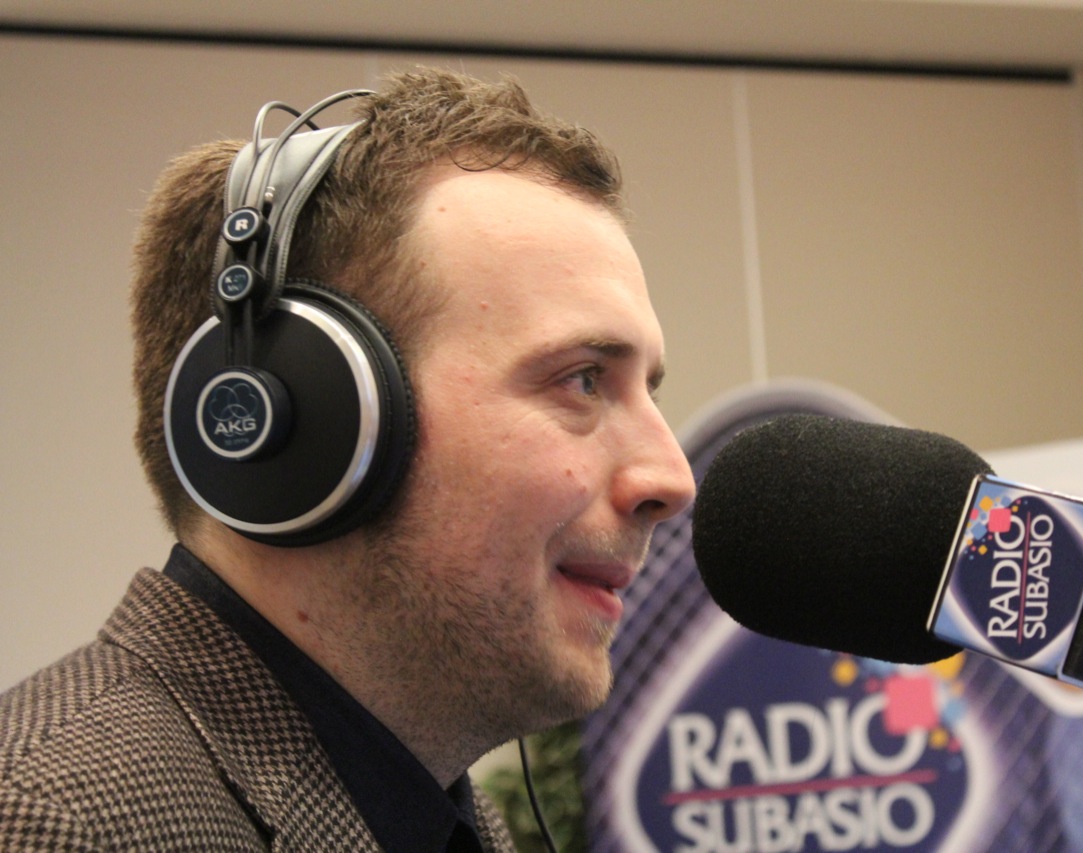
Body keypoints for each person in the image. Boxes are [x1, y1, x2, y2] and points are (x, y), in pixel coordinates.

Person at [0, 67, 696, 851]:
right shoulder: (49, 823)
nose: (672, 478)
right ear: (310, 412)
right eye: (583, 379)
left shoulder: (448, 823)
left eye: (649, 391)